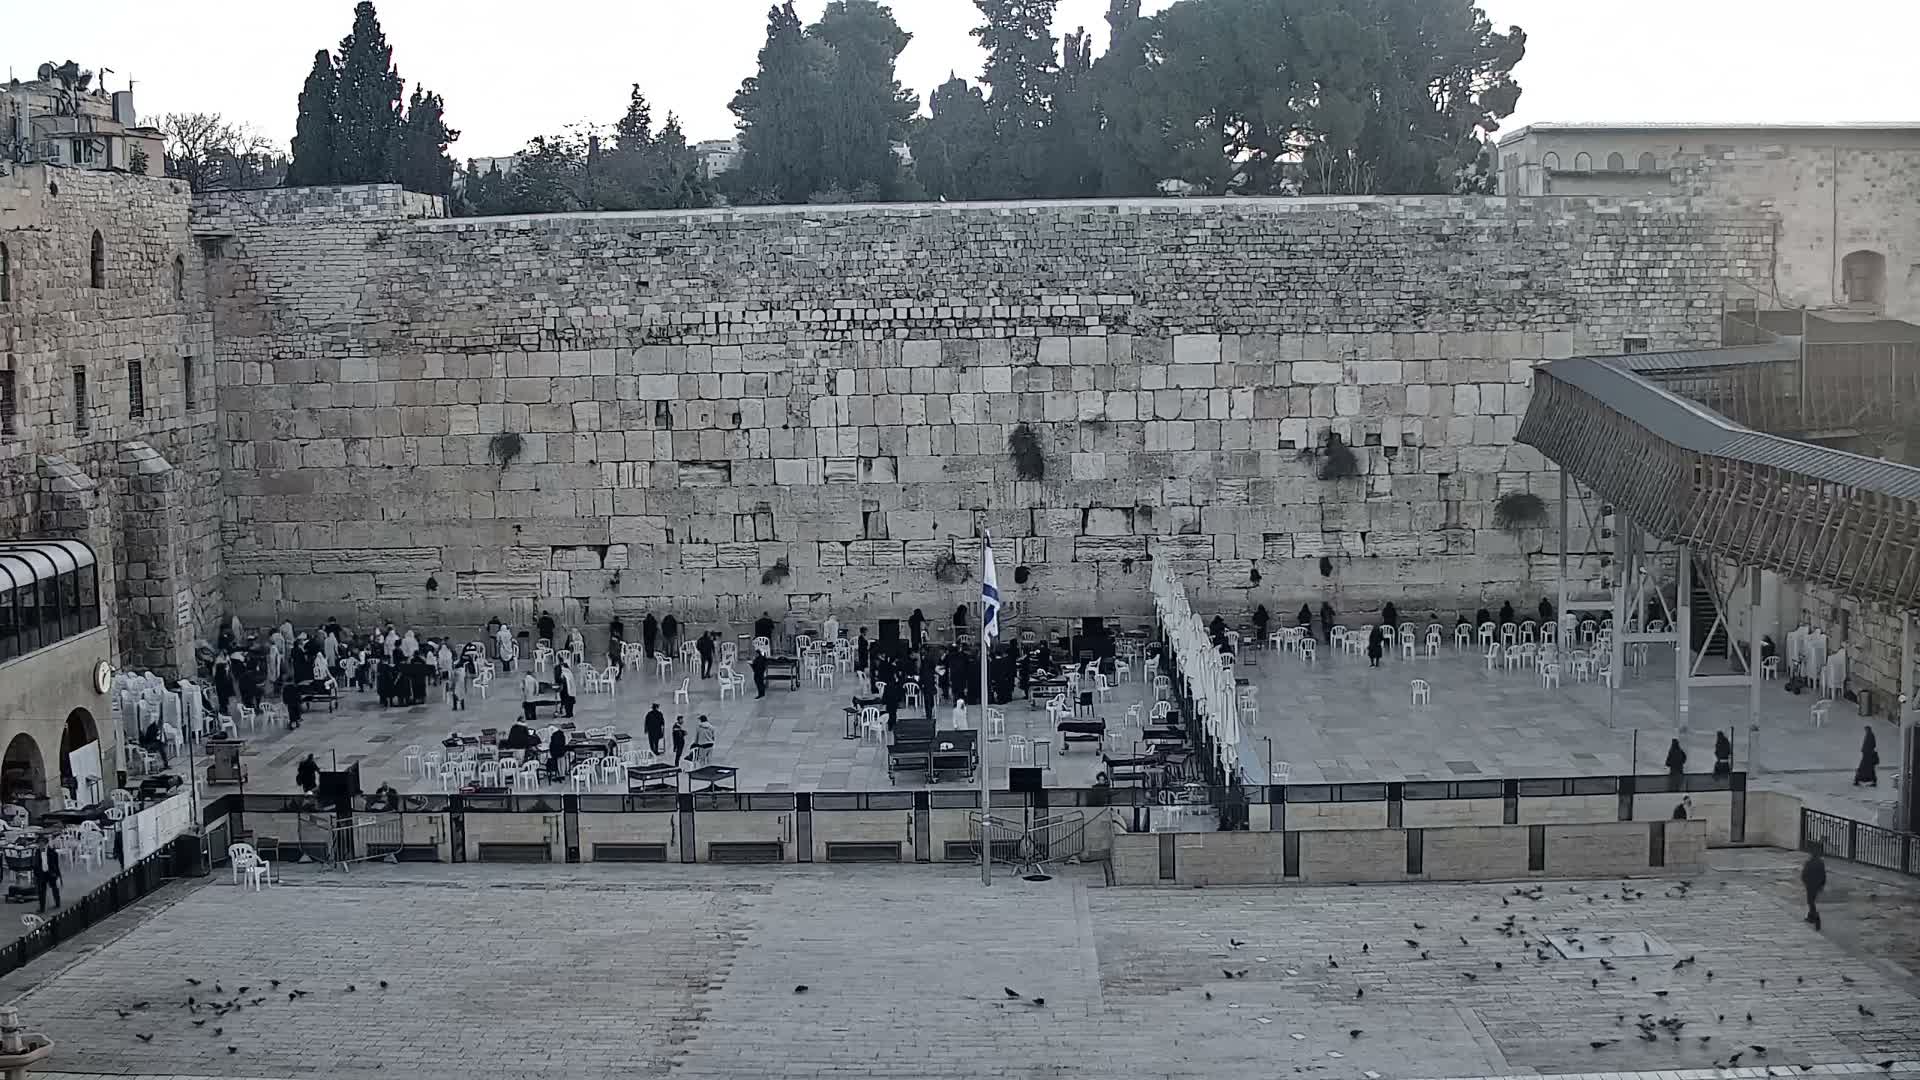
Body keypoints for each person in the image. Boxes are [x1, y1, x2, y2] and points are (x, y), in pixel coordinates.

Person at [1801, 842, 1827, 930]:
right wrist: (1822, 884)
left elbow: (1804, 874)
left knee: (1810, 901)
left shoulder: (1809, 863)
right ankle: (1811, 916)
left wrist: (1805, 882)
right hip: (1817, 885)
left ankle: (1815, 916)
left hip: (1810, 884)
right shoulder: (1821, 863)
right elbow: (1823, 875)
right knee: (1812, 900)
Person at [34, 840, 61, 913]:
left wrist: (57, 875)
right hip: (42, 874)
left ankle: (57, 903)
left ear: (45, 844)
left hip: (51, 873)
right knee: (41, 891)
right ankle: (42, 908)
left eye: (40, 844)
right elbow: (36, 864)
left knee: (54, 888)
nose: (39, 845)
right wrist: (36, 874)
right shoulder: (37, 852)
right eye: (39, 844)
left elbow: (56, 865)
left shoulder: (52, 852)